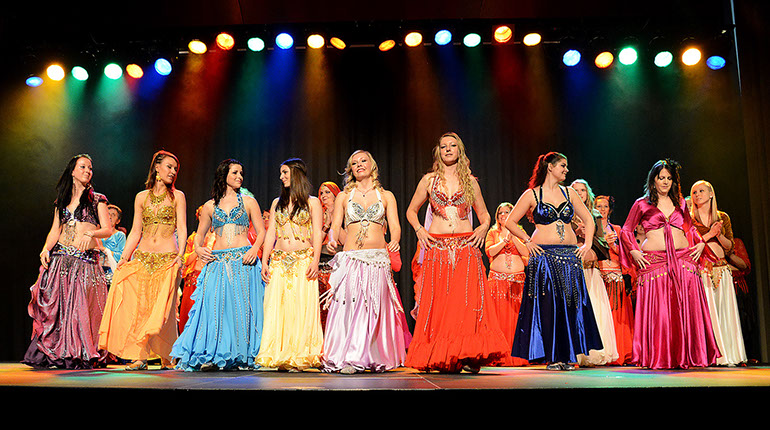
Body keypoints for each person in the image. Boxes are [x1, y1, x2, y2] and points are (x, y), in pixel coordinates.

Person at [404, 132, 508, 373]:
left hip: (465, 247)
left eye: (452, 146)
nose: (448, 149)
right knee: (441, 304)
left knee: (466, 304)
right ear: (438, 151)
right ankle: (442, 355)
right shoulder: (429, 181)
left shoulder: (470, 182)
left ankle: (467, 354)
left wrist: (483, 227)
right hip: (437, 248)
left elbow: (484, 214)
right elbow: (411, 210)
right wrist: (419, 229)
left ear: (460, 151)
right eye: (443, 146)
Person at [504, 152, 603, 370]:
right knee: (549, 307)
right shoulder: (532, 194)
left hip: (569, 257)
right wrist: (527, 241)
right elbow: (510, 221)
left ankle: (567, 356)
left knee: (570, 306)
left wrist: (587, 244)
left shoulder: (569, 193)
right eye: (562, 166)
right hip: (544, 257)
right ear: (549, 167)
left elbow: (589, 219)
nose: (566, 170)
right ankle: (553, 357)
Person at [618, 159, 719, 369]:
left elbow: (690, 228)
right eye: (661, 177)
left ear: (674, 181)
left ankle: (687, 356)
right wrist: (634, 251)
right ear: (653, 180)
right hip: (654, 262)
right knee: (660, 313)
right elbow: (626, 230)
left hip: (683, 260)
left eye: (669, 178)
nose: (665, 182)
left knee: (684, 309)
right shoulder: (642, 203)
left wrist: (701, 243)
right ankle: (660, 356)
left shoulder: (680, 202)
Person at [171, 159, 266, 371]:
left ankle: (242, 356)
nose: (240, 177)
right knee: (215, 309)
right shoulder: (210, 206)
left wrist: (254, 249)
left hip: (243, 260)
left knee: (242, 309)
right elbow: (199, 235)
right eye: (235, 173)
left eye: (241, 173)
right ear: (224, 175)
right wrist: (198, 249)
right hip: (218, 261)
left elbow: (262, 232)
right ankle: (215, 355)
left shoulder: (249, 202)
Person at [321, 150, 409, 373]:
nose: (359, 164)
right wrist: (332, 240)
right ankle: (351, 358)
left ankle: (375, 356)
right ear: (350, 170)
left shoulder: (386, 196)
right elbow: (335, 226)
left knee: (375, 308)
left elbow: (395, 225)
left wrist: (395, 240)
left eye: (363, 161)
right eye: (354, 163)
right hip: (351, 259)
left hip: (377, 260)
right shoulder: (344, 197)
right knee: (351, 307)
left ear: (372, 165)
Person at [98, 150, 187, 370]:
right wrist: (124, 257)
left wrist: (180, 256)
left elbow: (182, 228)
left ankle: (168, 355)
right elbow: (135, 231)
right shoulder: (141, 197)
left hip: (168, 259)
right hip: (143, 257)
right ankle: (140, 357)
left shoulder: (178, 197)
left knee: (163, 310)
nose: (173, 172)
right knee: (139, 307)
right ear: (156, 167)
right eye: (169, 167)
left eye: (175, 169)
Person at [23, 154, 111, 369]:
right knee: (59, 311)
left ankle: (79, 353)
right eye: (83, 167)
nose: (88, 171)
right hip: (61, 260)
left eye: (90, 168)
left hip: (85, 263)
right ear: (72, 171)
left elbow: (107, 229)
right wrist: (45, 249)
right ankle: (57, 353)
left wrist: (91, 234)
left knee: (80, 311)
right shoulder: (61, 200)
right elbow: (55, 230)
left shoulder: (97, 199)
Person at [256, 158, 324, 371]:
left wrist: (316, 260)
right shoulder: (277, 203)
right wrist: (265, 261)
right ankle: (278, 354)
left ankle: (299, 355)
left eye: (285, 172)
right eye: (281, 173)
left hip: (303, 260)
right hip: (278, 261)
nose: (281, 177)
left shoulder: (312, 202)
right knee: (277, 307)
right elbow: (271, 233)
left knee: (300, 307)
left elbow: (317, 233)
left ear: (296, 174)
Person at [690, 180, 746, 366]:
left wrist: (718, 234)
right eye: (694, 192)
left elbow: (729, 247)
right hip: (702, 271)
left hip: (722, 270)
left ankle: (729, 354)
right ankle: (709, 356)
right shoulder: (690, 219)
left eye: (701, 191)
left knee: (725, 313)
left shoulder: (722, 217)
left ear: (711, 194)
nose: (697, 195)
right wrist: (709, 234)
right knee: (708, 315)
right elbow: (690, 246)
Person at [570, 179, 618, 366]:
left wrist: (587, 234)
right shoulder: (565, 214)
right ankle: (575, 353)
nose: (579, 193)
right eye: (575, 190)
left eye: (582, 190)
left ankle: (593, 352)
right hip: (572, 268)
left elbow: (603, 245)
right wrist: (575, 233)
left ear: (587, 193)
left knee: (595, 309)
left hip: (591, 269)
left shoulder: (594, 214)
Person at [484, 202, 530, 367]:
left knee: (516, 319)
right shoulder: (492, 233)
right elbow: (490, 251)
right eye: (500, 213)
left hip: (517, 282)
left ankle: (517, 354)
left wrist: (514, 236)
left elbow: (527, 253)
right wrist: (504, 240)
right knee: (498, 319)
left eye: (507, 212)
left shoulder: (520, 233)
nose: (503, 215)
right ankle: (498, 354)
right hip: (497, 282)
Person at [594, 195, 634, 365]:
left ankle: (620, 353)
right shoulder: (591, 228)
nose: (602, 209)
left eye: (605, 206)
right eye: (599, 206)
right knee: (602, 316)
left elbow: (626, 254)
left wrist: (613, 246)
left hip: (616, 275)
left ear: (609, 210)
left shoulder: (616, 229)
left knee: (617, 316)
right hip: (599, 275)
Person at [177, 205, 216, 332]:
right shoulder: (193, 238)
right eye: (200, 215)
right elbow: (186, 260)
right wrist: (198, 250)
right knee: (188, 313)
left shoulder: (217, 237)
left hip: (209, 279)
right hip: (192, 278)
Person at [318, 181, 342, 331]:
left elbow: (346, 241)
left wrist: (335, 221)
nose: (323, 195)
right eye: (321, 193)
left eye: (327, 192)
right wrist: (327, 224)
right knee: (322, 306)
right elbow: (315, 242)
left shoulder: (344, 213)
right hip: (321, 267)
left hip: (339, 265)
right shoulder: (318, 214)